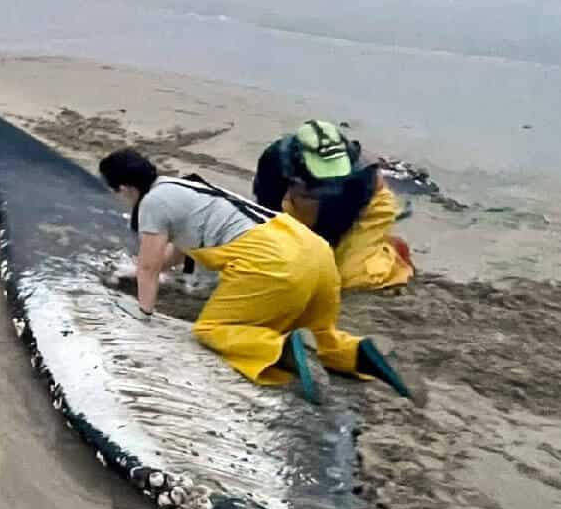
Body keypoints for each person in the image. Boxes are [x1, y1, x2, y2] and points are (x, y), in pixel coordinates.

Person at [98, 147, 422, 405]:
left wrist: (143, 313)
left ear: (125, 187)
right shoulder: (184, 185)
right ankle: (359, 354)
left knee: (213, 329)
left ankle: (280, 349)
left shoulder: (152, 204)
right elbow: (180, 249)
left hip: (271, 262)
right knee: (318, 331)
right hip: (312, 250)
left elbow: (148, 266)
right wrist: (141, 270)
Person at [252, 120, 414, 293]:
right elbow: (265, 209)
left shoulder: (359, 179)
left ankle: (393, 254)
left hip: (366, 206)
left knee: (354, 279)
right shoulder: (273, 164)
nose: (330, 184)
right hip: (302, 204)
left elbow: (333, 225)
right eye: (321, 181)